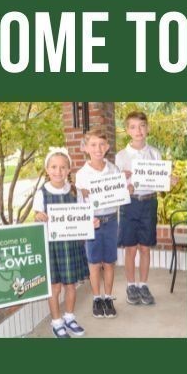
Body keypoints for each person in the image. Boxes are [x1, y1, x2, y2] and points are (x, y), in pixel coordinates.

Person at [33, 150, 92, 337]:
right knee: (55, 287)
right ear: (47, 169)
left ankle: (69, 317)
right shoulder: (41, 193)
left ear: (69, 169)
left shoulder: (75, 192)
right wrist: (39, 216)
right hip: (52, 247)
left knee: (71, 286)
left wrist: (91, 222)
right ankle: (56, 322)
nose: (58, 171)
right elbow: (37, 216)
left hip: (72, 245)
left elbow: (83, 216)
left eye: (62, 167)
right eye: (54, 167)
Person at [115, 110, 170, 307]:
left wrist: (169, 181)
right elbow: (114, 187)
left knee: (145, 248)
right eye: (133, 127)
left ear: (147, 128)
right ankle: (131, 286)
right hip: (129, 204)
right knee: (130, 249)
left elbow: (161, 183)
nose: (138, 130)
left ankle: (143, 285)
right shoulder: (120, 157)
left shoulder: (155, 153)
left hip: (149, 202)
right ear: (127, 130)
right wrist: (123, 180)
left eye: (142, 126)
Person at [76, 129, 123, 318]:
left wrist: (125, 188)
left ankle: (108, 297)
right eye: (93, 145)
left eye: (102, 144)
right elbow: (80, 202)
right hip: (92, 222)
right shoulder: (81, 174)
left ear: (108, 147)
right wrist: (88, 216)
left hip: (111, 219)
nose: (98, 148)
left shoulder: (114, 169)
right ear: (86, 148)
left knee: (109, 262)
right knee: (94, 263)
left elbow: (119, 194)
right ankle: (97, 298)